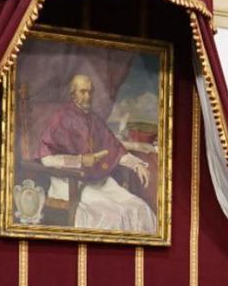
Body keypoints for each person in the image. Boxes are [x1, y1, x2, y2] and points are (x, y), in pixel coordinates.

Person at [34, 74, 158, 232]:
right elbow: (47, 159)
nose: (87, 96)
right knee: (113, 215)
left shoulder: (95, 120)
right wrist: (79, 160)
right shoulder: (61, 118)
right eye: (83, 92)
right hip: (70, 183)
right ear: (73, 93)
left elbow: (115, 149)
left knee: (141, 209)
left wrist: (137, 165)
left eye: (90, 92)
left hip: (99, 182)